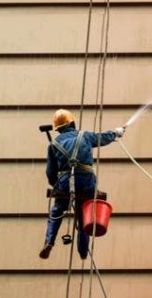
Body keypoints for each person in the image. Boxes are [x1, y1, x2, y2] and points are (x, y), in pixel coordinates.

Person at [40, 109, 126, 260]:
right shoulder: (84, 136)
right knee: (85, 213)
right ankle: (83, 251)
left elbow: (50, 172)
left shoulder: (53, 144)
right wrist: (116, 133)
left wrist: (57, 186)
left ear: (58, 129)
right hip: (86, 179)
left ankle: (49, 241)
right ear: (73, 123)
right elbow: (102, 138)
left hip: (65, 180)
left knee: (57, 211)